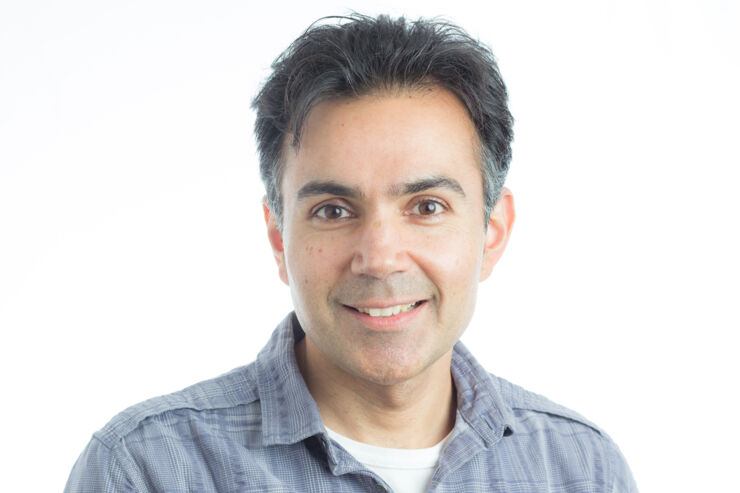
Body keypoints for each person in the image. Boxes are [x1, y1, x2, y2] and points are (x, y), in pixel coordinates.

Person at [65, 14, 638, 493]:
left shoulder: (581, 471)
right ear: (277, 238)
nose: (382, 258)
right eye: (334, 210)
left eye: (427, 207)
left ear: (492, 232)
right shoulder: (145, 470)